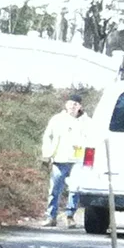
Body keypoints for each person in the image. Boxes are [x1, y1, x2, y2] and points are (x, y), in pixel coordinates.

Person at [40, 96, 84, 226]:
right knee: (55, 189)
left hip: (78, 160)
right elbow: (48, 137)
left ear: (80, 106)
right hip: (59, 159)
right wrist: (46, 154)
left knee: (75, 189)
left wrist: (88, 161)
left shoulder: (85, 122)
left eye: (75, 104)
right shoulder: (57, 120)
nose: (72, 106)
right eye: (70, 103)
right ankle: (51, 216)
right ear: (66, 105)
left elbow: (91, 141)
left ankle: (70, 216)